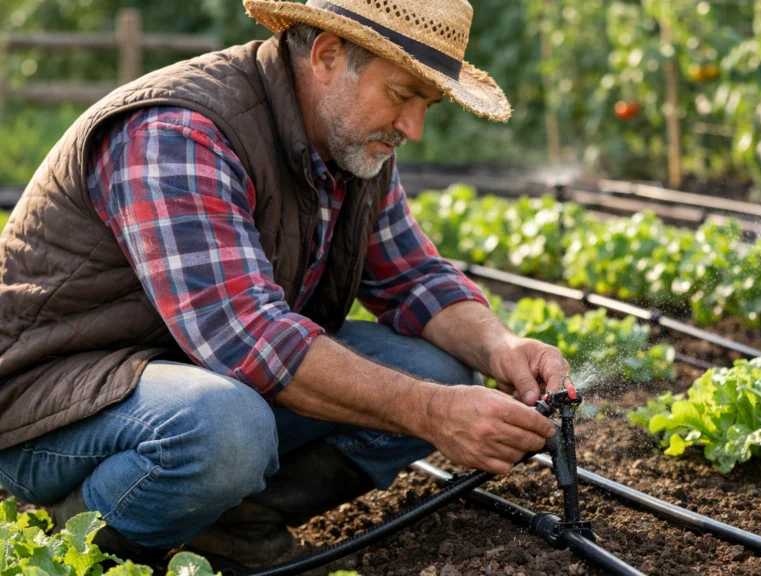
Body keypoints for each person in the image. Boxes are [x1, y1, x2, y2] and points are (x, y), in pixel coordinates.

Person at [0, 0, 570, 568]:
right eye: (401, 95)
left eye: (428, 104)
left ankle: (230, 527)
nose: (413, 129)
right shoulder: (178, 132)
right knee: (225, 430)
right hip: (56, 403)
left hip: (188, 378)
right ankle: (77, 542)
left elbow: (413, 277)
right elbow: (248, 337)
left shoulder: (352, 142)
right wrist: (431, 412)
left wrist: (504, 348)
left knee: (439, 370)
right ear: (326, 56)